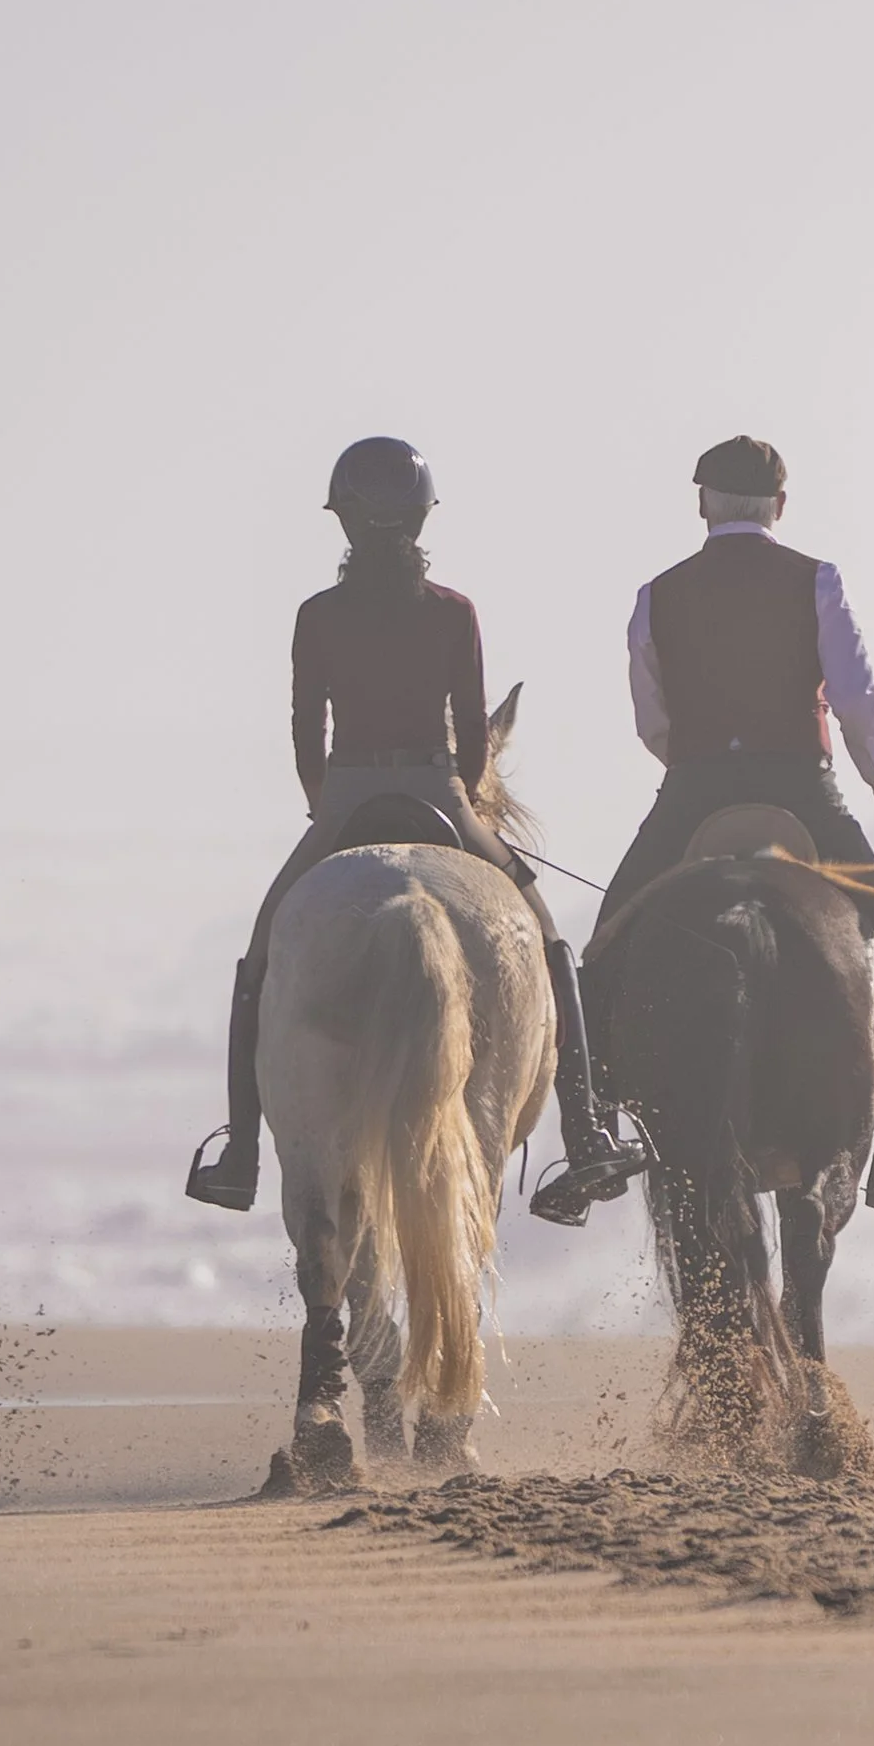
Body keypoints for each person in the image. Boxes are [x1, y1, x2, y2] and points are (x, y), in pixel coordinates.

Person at [185, 438, 644, 1226]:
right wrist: (460, 790)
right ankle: (587, 1125)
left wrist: (323, 803)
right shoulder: (455, 612)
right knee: (546, 939)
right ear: (423, 516)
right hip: (442, 788)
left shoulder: (317, 615)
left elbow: (306, 727)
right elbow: (472, 727)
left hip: (347, 793)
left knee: (262, 952)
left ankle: (242, 1150)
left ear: (344, 521)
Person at [597, 434, 874, 1223]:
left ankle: (593, 1133)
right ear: (781, 507)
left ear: (701, 504)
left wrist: (694, 764)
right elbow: (857, 698)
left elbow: (650, 716)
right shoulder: (817, 581)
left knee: (604, 946)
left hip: (693, 791)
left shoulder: (656, 594)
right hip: (804, 786)